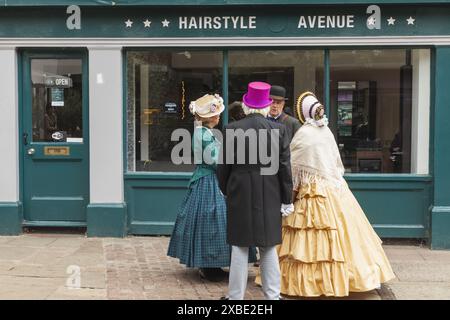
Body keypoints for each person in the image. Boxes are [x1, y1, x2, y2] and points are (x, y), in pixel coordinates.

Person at [278, 91, 396, 297]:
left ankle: (314, 283)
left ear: (303, 113)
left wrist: (289, 195)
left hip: (312, 191)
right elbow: (336, 164)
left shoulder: (305, 134)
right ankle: (347, 278)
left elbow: (294, 168)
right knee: (344, 237)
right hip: (335, 189)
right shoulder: (327, 131)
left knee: (311, 240)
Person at [217, 82, 294, 300]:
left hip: (239, 192)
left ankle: (235, 298)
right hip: (270, 193)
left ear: (246, 105)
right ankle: (272, 296)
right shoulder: (279, 130)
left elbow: (223, 167)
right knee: (268, 248)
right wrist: (286, 199)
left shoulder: (232, 129)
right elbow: (285, 168)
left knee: (240, 248)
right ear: (267, 105)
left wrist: (226, 190)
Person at [167, 94, 230, 282]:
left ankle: (211, 263)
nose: (219, 116)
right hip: (209, 180)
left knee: (210, 222)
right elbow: (215, 162)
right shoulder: (203, 134)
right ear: (209, 117)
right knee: (212, 222)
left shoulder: (204, 132)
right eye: (216, 113)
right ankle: (209, 265)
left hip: (206, 178)